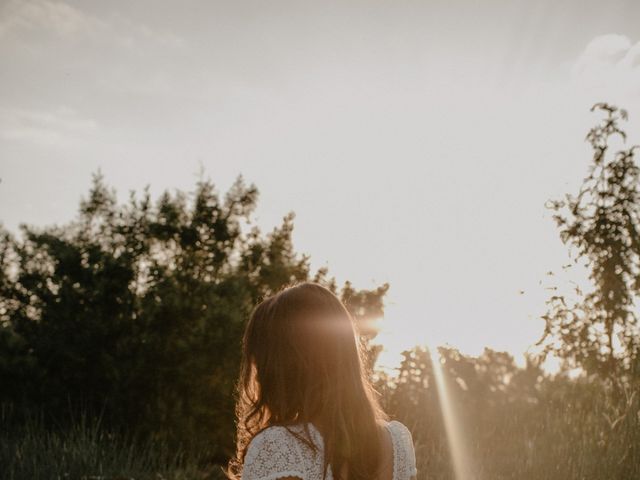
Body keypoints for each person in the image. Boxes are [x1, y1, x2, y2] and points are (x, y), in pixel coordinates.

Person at [226, 282, 417, 480]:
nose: (257, 375)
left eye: (260, 361)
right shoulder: (397, 445)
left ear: (281, 367)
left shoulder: (278, 446)